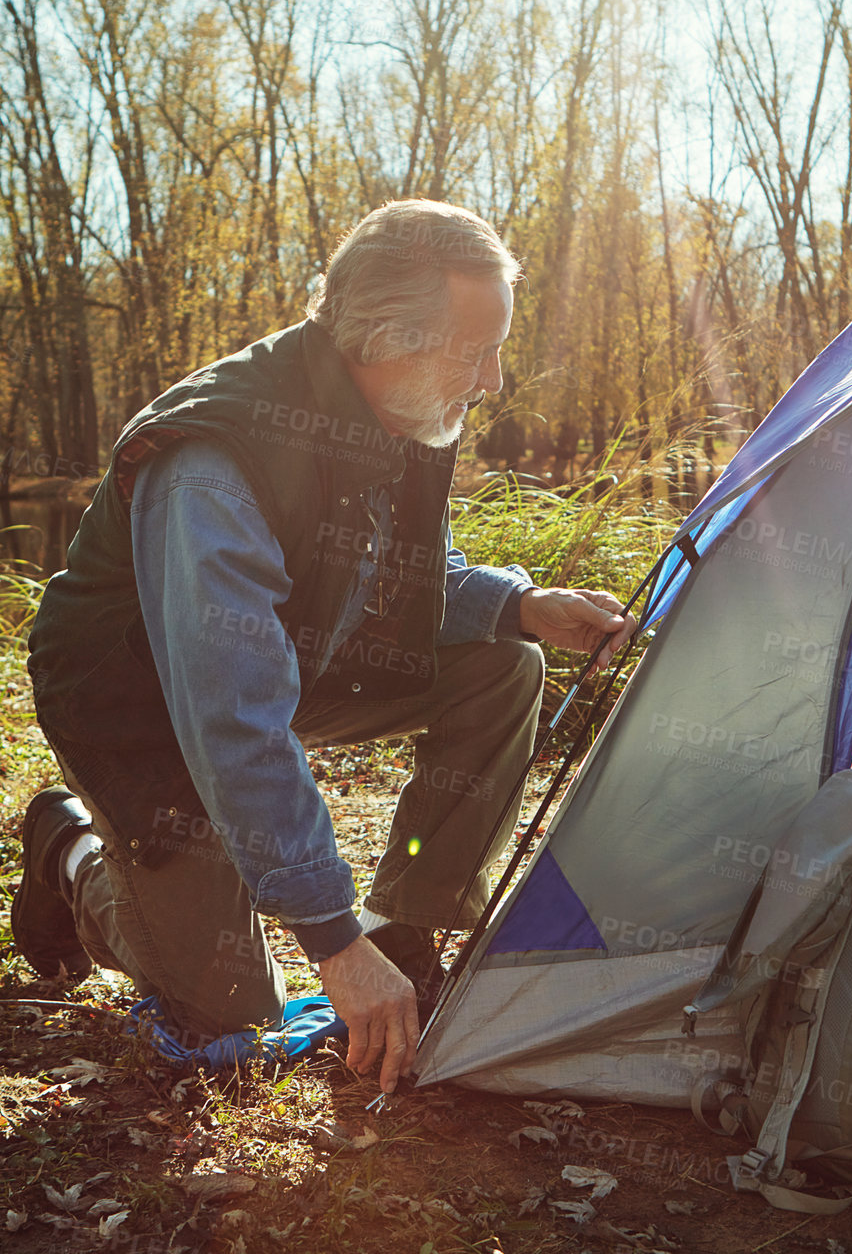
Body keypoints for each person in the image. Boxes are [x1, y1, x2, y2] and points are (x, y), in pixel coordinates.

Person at [15, 199, 636, 1096]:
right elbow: (231, 719)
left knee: (504, 664)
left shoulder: (398, 406)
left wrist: (524, 605)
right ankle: (72, 854)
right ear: (387, 338)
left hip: (285, 662)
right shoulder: (213, 466)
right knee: (225, 1012)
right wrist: (333, 948)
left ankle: (406, 930)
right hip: (146, 717)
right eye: (477, 351)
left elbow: (401, 580)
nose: (494, 380)